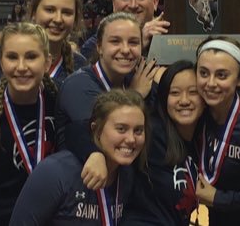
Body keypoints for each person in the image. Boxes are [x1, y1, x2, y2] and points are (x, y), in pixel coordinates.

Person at [10, 89, 146, 225]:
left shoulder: (127, 176)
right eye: (121, 129)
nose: (131, 139)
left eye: (138, 130)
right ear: (96, 130)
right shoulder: (55, 172)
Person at [0, 23, 68, 224]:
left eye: (31, 57)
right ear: (1, 62)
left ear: (47, 62)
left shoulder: (61, 102)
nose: (21, 67)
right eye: (12, 57)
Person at [122, 61, 204, 225]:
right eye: (174, 93)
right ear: (163, 98)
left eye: (193, 92)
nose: (184, 100)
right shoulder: (150, 134)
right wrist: (135, 96)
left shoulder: (206, 141)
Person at [193, 37, 240, 225]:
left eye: (222, 75)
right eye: (204, 73)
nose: (211, 83)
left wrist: (220, 199)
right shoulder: (196, 116)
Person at [0, 0, 88, 88]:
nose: (58, 19)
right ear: (33, 12)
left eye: (67, 12)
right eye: (50, 10)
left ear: (75, 19)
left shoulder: (80, 66)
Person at [80, 0, 168, 60]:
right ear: (114, 4)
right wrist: (139, 43)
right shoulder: (94, 45)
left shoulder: (172, 37)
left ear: (155, 2)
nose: (133, 5)